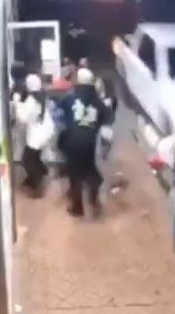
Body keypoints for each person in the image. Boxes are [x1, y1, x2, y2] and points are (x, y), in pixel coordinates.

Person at [60, 68, 115, 217]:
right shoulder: (97, 101)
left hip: (71, 140)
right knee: (91, 172)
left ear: (78, 80)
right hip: (89, 142)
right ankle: (93, 199)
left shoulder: (69, 97)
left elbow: (62, 114)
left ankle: (78, 209)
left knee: (74, 175)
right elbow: (108, 117)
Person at [13, 74, 55, 198]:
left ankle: (38, 183)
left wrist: (16, 101)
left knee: (27, 160)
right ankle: (40, 174)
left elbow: (22, 117)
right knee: (35, 156)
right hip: (45, 132)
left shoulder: (32, 100)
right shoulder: (41, 95)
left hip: (37, 135)